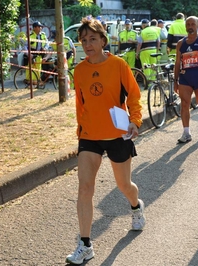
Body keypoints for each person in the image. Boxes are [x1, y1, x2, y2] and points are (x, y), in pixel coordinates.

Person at [65, 17, 145, 264]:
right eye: (83, 40)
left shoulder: (118, 65)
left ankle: (136, 206)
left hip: (117, 135)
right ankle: (85, 244)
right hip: (89, 137)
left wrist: (135, 120)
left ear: (102, 40)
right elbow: (81, 104)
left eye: (92, 39)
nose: (87, 44)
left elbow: (133, 95)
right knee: (85, 187)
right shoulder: (79, 70)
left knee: (124, 186)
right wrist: (80, 130)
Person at [173, 16, 198, 143]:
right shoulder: (181, 43)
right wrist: (175, 80)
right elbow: (177, 62)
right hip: (185, 77)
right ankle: (186, 133)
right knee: (184, 104)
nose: (190, 26)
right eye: (188, 24)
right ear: (186, 26)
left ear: (197, 26)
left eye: (193, 24)